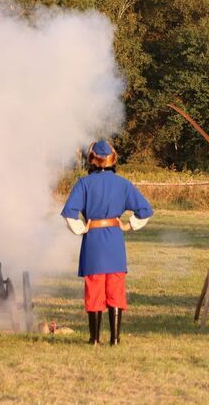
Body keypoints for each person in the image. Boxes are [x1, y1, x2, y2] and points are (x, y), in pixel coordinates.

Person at [61, 140, 153, 346]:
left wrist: (80, 229)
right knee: (116, 288)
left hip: (93, 240)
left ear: (92, 160)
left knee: (94, 288)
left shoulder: (84, 184)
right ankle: (115, 339)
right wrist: (130, 225)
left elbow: (69, 214)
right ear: (113, 160)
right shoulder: (123, 184)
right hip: (114, 240)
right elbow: (145, 210)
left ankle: (94, 339)